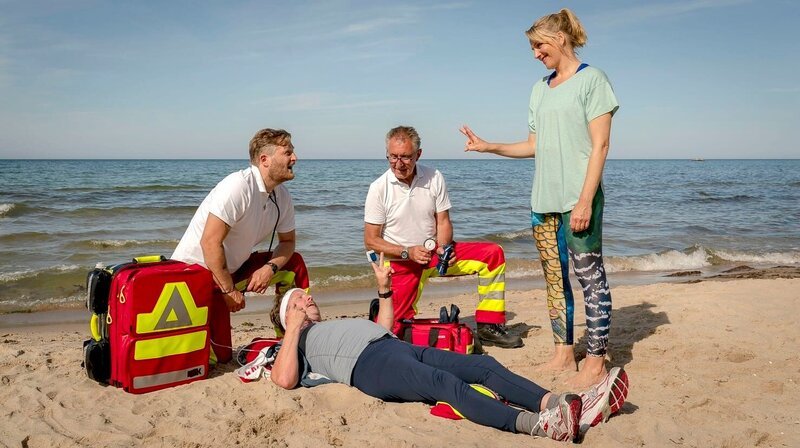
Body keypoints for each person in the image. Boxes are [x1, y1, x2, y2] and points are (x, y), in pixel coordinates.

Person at [268, 252, 629, 442]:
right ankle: (537, 425)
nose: (309, 297)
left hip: (392, 345)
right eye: (300, 299)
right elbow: (284, 380)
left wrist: (384, 288)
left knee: (481, 366)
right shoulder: (297, 341)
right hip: (370, 367)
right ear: (290, 314)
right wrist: (293, 330)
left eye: (305, 294)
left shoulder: (333, 324)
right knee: (444, 384)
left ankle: (554, 403)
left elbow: (384, 327)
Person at [459, 8, 619, 388]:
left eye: (538, 45)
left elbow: (601, 145)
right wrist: (489, 146)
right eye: (532, 47)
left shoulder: (592, 80)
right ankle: (563, 353)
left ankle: (595, 358)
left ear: (560, 38)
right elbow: (534, 145)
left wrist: (584, 200)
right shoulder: (538, 89)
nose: (534, 54)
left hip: (578, 198)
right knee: (554, 278)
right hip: (542, 201)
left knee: (589, 276)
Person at [364, 125, 522, 348]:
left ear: (418, 154)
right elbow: (371, 240)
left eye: (406, 157)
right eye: (393, 157)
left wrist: (444, 248)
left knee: (492, 255)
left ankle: (489, 327)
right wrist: (407, 251)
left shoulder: (434, 176)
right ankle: (380, 309)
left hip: (434, 253)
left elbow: (443, 221)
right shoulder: (378, 188)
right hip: (401, 262)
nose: (399, 163)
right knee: (390, 331)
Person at [172, 128, 310, 361]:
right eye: (288, 153)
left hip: (231, 271)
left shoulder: (282, 196)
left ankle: (295, 336)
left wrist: (269, 268)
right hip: (197, 276)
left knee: (293, 265)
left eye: (293, 152)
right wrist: (229, 291)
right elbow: (210, 242)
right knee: (220, 357)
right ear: (264, 160)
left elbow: (288, 242)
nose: (294, 158)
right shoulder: (238, 186)